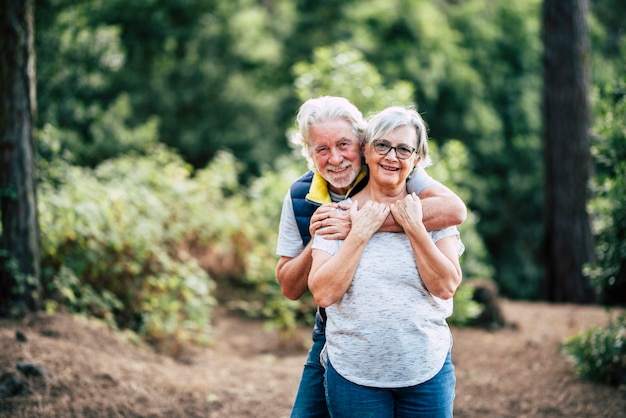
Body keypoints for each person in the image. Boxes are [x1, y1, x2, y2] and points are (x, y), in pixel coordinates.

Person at [276, 97, 466, 418]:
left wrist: (360, 221)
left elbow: (454, 210)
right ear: (310, 153)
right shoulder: (301, 195)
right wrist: (321, 233)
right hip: (335, 333)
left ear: (361, 144)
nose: (335, 158)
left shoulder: (393, 165)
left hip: (417, 355)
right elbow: (292, 288)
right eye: (321, 149)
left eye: (343, 145)